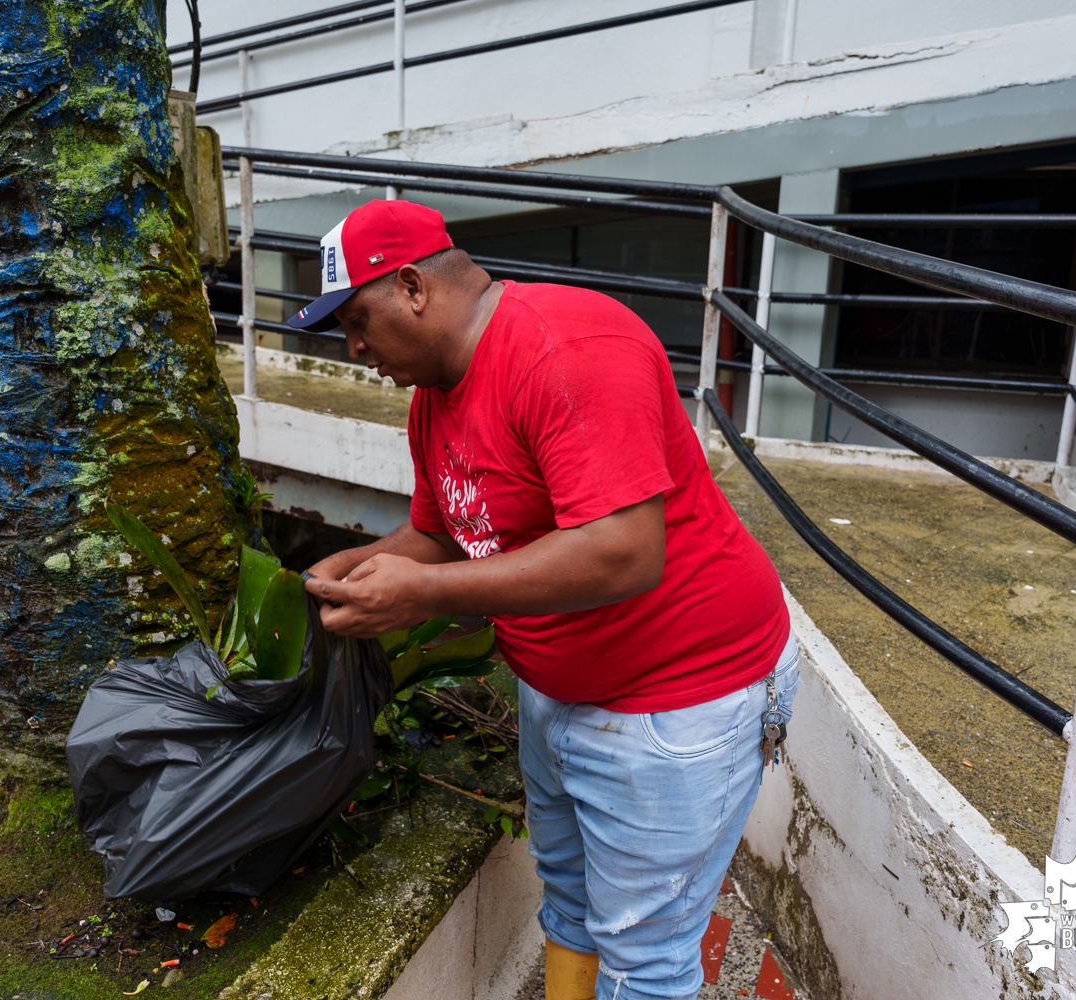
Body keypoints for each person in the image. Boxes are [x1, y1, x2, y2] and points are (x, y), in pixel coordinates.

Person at [294, 199, 798, 1000]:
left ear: (415, 287)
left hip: (678, 698)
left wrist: (421, 590)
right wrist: (361, 568)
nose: (355, 351)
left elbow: (623, 552)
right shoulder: (435, 395)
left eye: (357, 321)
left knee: (647, 957)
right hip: (557, 689)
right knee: (570, 906)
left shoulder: (568, 346)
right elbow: (446, 532)